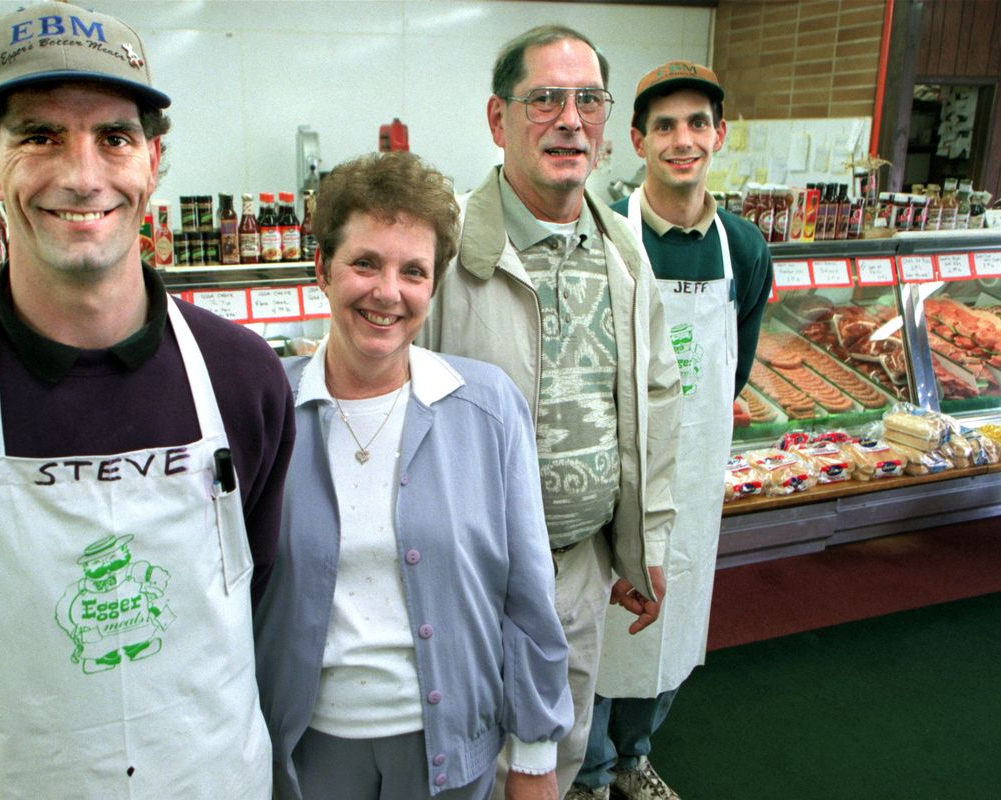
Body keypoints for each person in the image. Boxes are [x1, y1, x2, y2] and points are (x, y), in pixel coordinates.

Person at [0, 4, 294, 798]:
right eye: (40, 135)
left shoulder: (244, 379)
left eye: (113, 136)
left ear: (153, 159)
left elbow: (258, 590)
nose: (84, 176)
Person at [255, 151, 572, 800]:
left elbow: (527, 591)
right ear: (322, 268)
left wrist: (536, 754)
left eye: (414, 272)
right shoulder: (266, 412)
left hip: (450, 751)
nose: (387, 292)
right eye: (365, 263)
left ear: (434, 285)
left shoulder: (486, 408)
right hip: (304, 754)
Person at [419, 25, 683, 799]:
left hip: (577, 568)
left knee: (554, 757)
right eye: (544, 100)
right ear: (499, 120)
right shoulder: (447, 250)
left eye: (589, 100)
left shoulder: (624, 252)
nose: (570, 120)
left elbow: (657, 396)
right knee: (456, 763)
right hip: (463, 579)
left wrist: (644, 537)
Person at [568, 62, 773, 800]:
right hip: (611, 470)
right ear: (636, 139)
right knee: (598, 616)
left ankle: (635, 757)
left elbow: (737, 365)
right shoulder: (601, 234)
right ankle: (586, 772)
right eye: (664, 126)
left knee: (674, 613)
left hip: (692, 475)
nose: (682, 140)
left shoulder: (744, 250)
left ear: (719, 135)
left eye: (697, 124)